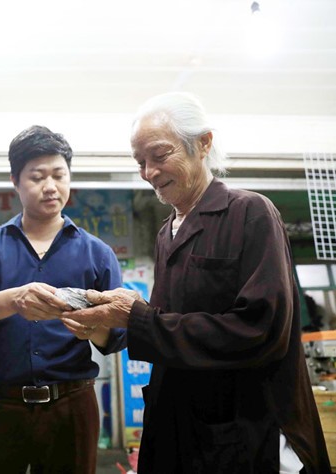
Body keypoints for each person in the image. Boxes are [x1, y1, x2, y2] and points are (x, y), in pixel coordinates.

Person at [66, 92, 330, 473]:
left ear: (203, 143)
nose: (149, 172)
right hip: (179, 430)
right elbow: (169, 326)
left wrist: (138, 318)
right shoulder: (166, 234)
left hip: (241, 433)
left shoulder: (250, 213)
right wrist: (104, 324)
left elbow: (260, 328)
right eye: (140, 162)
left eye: (159, 155)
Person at [0, 125, 127, 474]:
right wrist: (13, 300)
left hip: (71, 406)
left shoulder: (98, 253)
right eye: (37, 176)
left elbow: (118, 336)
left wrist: (90, 328)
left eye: (59, 175)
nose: (50, 186)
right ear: (15, 181)